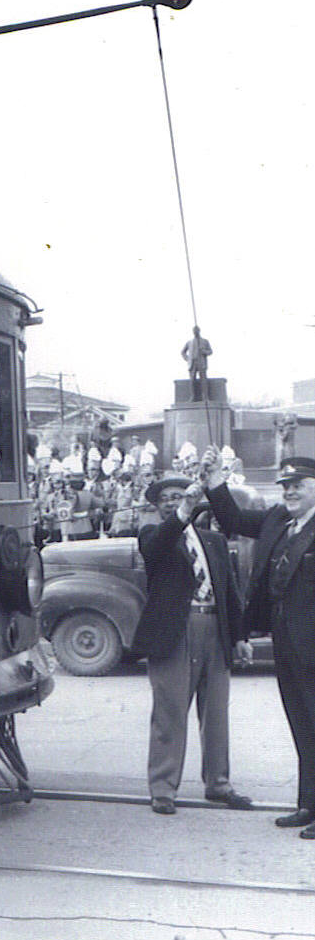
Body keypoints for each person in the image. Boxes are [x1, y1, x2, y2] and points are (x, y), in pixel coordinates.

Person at [202, 448, 315, 839]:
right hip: (286, 643)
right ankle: (308, 805)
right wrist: (215, 479)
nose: (290, 492)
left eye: (298, 485)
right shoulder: (278, 520)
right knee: (302, 723)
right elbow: (232, 518)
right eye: (285, 486)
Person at [131, 473, 253, 815]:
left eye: (179, 495)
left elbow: (231, 593)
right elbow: (158, 544)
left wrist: (240, 637)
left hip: (215, 627)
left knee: (216, 713)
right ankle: (163, 788)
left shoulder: (213, 541)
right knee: (170, 711)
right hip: (175, 631)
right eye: (165, 498)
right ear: (157, 506)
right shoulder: (154, 536)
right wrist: (183, 509)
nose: (172, 500)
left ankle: (219, 784)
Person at [181, 326, 213, 401]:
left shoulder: (205, 341)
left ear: (199, 331)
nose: (195, 332)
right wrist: (187, 359)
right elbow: (182, 352)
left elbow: (210, 351)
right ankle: (192, 397)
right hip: (192, 363)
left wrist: (204, 351)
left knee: (203, 380)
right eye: (194, 331)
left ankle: (205, 397)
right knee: (192, 380)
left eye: (196, 331)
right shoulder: (189, 342)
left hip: (201, 363)